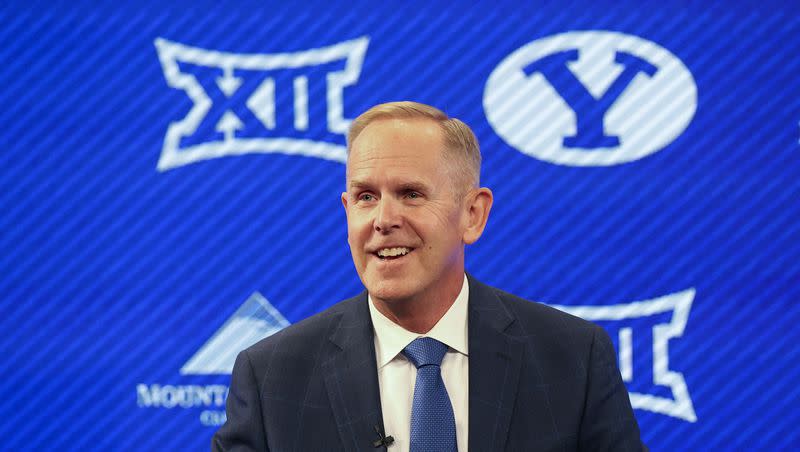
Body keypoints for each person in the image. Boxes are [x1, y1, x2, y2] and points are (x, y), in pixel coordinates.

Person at [212, 102, 644, 451]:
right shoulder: (272, 378)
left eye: (411, 194)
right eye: (366, 197)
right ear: (347, 212)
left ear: (473, 214)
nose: (383, 220)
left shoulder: (573, 359)